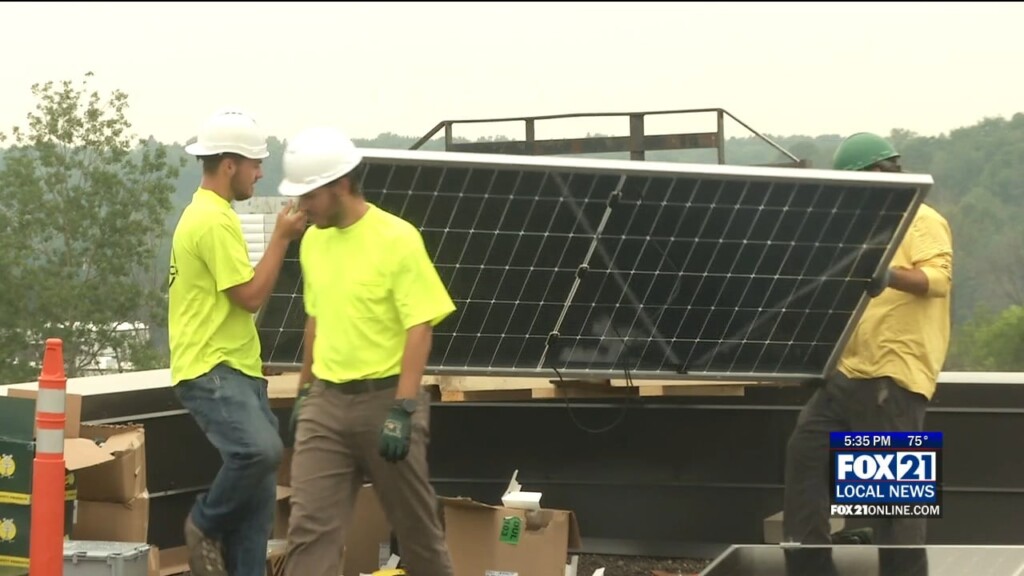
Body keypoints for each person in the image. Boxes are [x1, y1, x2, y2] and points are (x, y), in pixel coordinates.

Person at [276, 126, 456, 576]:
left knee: (416, 530)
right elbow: (315, 319)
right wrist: (304, 392)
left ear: (340, 186)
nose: (301, 208)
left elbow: (420, 326)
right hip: (325, 404)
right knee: (309, 532)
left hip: (386, 402)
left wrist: (404, 407)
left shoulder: (397, 238)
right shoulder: (314, 241)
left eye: (308, 196)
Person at [782, 132, 952, 576]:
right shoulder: (858, 225)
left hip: (891, 378)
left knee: (890, 499)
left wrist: (888, 274)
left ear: (877, 174)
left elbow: (937, 280)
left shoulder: (921, 220)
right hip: (844, 372)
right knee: (805, 456)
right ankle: (811, 565)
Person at [168, 109, 308, 576]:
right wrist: (282, 238)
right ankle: (204, 525)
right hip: (212, 368)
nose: (261, 173)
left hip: (239, 369)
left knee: (257, 505)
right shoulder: (211, 220)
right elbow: (248, 296)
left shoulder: (215, 215)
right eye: (255, 163)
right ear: (229, 164)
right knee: (261, 452)